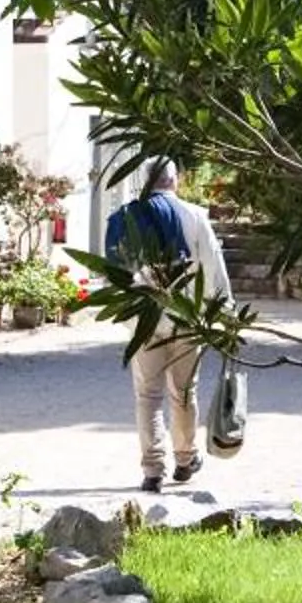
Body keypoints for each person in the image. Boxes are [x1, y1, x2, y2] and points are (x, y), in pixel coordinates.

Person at [104, 156, 231, 492]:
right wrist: (225, 312)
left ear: (144, 182)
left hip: (145, 320)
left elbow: (115, 271)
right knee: (184, 392)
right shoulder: (194, 216)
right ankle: (186, 459)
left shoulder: (127, 217)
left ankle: (153, 469)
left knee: (147, 395)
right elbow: (213, 267)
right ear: (175, 180)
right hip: (188, 316)